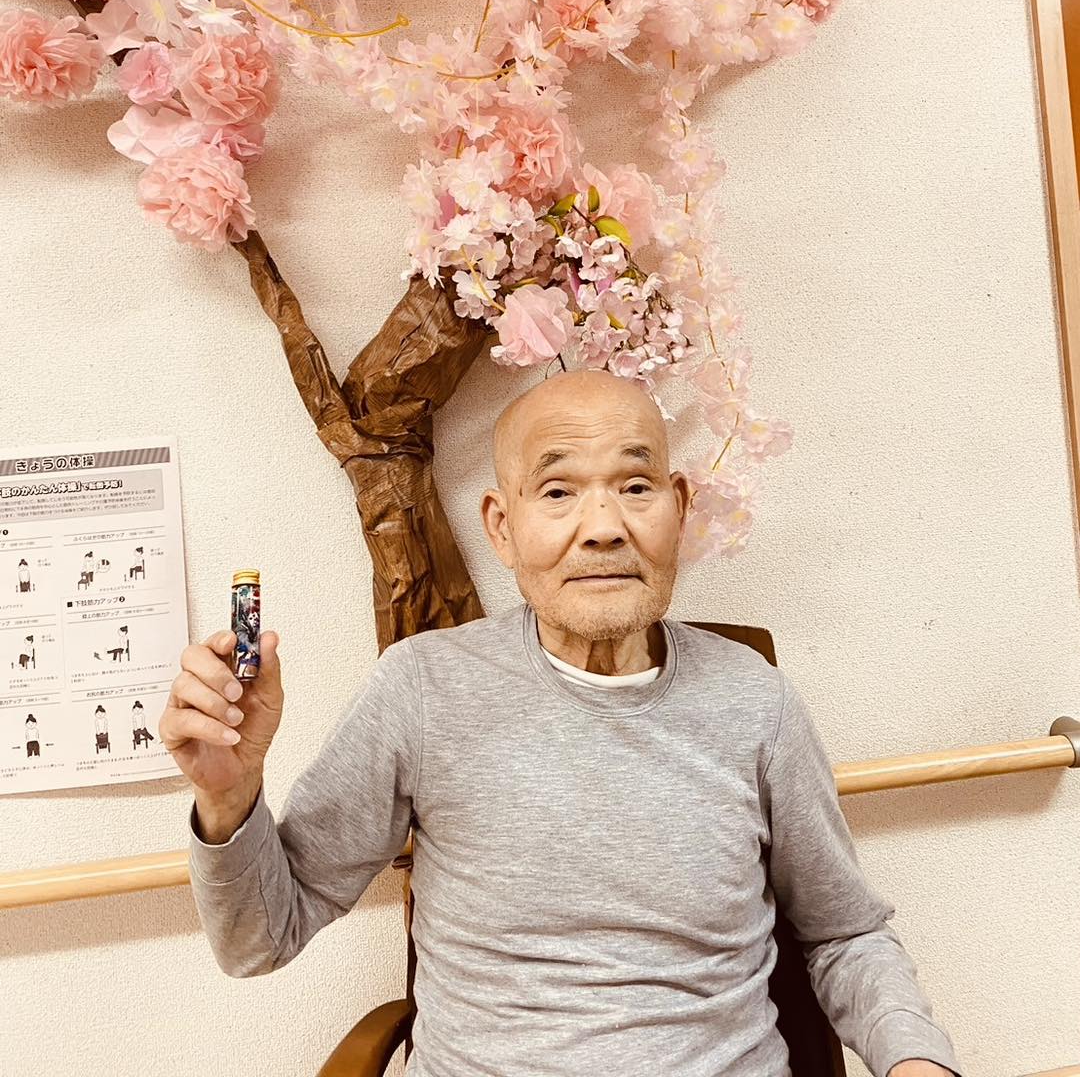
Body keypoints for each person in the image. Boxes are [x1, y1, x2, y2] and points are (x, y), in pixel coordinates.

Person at [163, 369, 962, 1077]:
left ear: (679, 508)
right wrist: (229, 798)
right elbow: (260, 938)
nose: (604, 526)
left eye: (636, 486)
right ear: (502, 528)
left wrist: (916, 1057)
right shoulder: (424, 689)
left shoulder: (756, 702)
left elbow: (845, 934)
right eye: (557, 492)